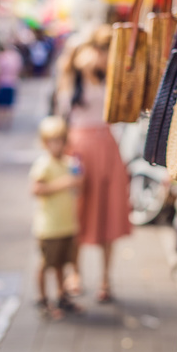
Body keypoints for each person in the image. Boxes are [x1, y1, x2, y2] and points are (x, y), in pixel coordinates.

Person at [56, 25, 131, 303]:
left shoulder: (108, 78)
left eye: (99, 53)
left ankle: (105, 279)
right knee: (78, 213)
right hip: (78, 151)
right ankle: (74, 273)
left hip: (106, 148)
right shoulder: (69, 82)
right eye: (91, 52)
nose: (94, 58)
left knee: (108, 212)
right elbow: (60, 119)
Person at [30, 116, 84, 318]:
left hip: (66, 224)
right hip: (49, 226)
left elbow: (78, 184)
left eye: (60, 140)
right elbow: (36, 189)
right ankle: (43, 299)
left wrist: (76, 180)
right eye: (53, 141)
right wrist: (65, 183)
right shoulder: (43, 165)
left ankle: (62, 296)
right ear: (45, 143)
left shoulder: (70, 163)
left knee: (62, 263)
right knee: (46, 264)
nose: (57, 145)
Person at [0, 43, 22, 128]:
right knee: (9, 104)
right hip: (12, 82)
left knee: (1, 104)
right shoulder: (16, 56)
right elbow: (19, 69)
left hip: (2, 82)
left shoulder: (1, 57)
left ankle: (1, 121)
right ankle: (7, 122)